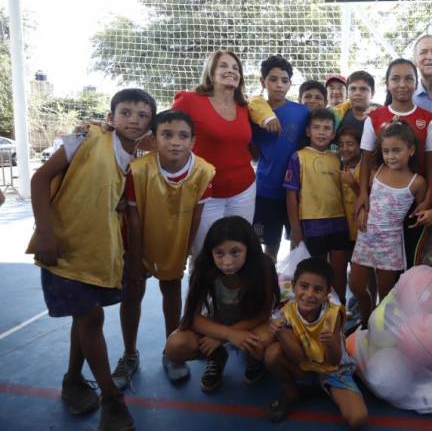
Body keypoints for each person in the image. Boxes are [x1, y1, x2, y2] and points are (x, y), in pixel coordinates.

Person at [27, 88, 156, 430]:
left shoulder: (140, 159)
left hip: (101, 251)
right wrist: (45, 232)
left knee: (83, 320)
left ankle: (72, 379)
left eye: (143, 115)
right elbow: (40, 178)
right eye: (126, 112)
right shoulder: (86, 138)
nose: (134, 119)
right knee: (91, 318)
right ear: (111, 117)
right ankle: (112, 397)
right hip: (64, 247)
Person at [113, 109, 215, 389]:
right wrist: (135, 257)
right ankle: (129, 354)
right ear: (154, 139)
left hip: (174, 242)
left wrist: (184, 251)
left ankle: (172, 351)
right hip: (138, 241)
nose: (175, 142)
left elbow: (196, 216)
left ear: (193, 141)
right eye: (166, 134)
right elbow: (133, 217)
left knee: (171, 291)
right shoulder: (138, 169)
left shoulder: (204, 171)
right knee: (132, 293)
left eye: (183, 136)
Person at [173, 49, 279, 258]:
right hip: (205, 193)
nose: (231, 71)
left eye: (235, 68)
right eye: (223, 66)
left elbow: (251, 143)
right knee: (204, 254)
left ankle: (234, 292)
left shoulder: (244, 107)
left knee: (238, 252)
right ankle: (200, 292)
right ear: (211, 72)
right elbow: (164, 134)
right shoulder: (189, 100)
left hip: (243, 191)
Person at [165, 216, 280, 392]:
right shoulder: (204, 267)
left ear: (249, 249)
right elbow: (192, 317)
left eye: (235, 252)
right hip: (216, 323)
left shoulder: (263, 266)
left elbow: (263, 313)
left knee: (264, 341)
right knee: (174, 346)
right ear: (211, 252)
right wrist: (226, 334)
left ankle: (253, 360)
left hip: (250, 324)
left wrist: (224, 336)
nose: (227, 262)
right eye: (219, 253)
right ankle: (217, 356)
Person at [265, 257, 368, 428]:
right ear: (294, 285)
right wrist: (280, 333)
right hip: (304, 366)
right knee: (272, 353)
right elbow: (297, 357)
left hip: (332, 370)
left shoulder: (332, 314)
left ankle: (322, 386)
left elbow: (334, 361)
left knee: (358, 418)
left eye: (318, 289)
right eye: (304, 286)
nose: (309, 295)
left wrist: (330, 343)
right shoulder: (287, 311)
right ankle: (292, 392)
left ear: (328, 292)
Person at [356, 59, 432, 268]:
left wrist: (427, 201)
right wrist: (363, 194)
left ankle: (408, 301)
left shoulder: (428, 119)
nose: (402, 84)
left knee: (412, 263)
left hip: (414, 203)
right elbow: (365, 161)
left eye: (409, 78)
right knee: (378, 265)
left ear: (416, 82)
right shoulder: (374, 118)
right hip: (382, 207)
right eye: (396, 78)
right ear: (387, 83)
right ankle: (380, 301)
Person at [349, 122, 427, 325]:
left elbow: (421, 213)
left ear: (411, 150)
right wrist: (362, 209)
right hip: (366, 238)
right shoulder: (376, 171)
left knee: (386, 293)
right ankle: (367, 320)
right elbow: (364, 199)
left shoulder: (417, 182)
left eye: (396, 150)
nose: (391, 156)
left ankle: (382, 328)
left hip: (391, 244)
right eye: (386, 151)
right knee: (356, 285)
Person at [284, 109, 350, 303]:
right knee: (317, 275)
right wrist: (295, 229)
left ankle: (340, 312)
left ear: (333, 133)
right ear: (307, 131)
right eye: (316, 128)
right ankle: (319, 312)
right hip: (312, 225)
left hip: (339, 223)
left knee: (338, 274)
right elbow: (291, 195)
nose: (321, 132)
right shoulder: (298, 157)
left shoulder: (337, 158)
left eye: (327, 128)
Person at [253, 55, 310, 260]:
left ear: (290, 84)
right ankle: (267, 285)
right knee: (269, 245)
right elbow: (251, 150)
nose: (279, 85)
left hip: (297, 191)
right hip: (266, 189)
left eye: (284, 80)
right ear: (263, 82)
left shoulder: (301, 112)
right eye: (273, 79)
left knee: (299, 241)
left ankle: (293, 285)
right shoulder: (254, 112)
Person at [337, 126, 363, 247]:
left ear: (360, 145)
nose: (345, 149)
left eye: (350, 144)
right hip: (345, 228)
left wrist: (352, 183)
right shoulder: (341, 165)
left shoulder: (367, 168)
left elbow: (371, 201)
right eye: (341, 145)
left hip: (362, 229)